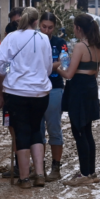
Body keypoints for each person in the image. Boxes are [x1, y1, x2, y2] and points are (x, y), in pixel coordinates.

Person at [0, 7, 52, 189]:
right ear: (36, 22)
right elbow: (48, 66)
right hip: (40, 93)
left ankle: (25, 178)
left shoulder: (11, 37)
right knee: (36, 129)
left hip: (17, 92)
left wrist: (7, 75)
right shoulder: (43, 38)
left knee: (21, 132)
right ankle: (40, 174)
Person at [58, 14, 100, 186]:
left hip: (78, 91)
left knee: (79, 132)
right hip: (91, 88)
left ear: (78, 28)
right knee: (88, 132)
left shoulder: (80, 46)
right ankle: (91, 171)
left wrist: (56, 67)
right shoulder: (97, 46)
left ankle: (84, 173)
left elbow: (69, 74)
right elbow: (95, 72)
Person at [38, 12, 67, 182]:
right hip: (35, 91)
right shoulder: (33, 41)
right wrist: (52, 66)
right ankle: (39, 167)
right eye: (44, 27)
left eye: (50, 27)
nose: (47, 30)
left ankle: (56, 167)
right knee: (38, 130)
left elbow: (65, 62)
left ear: (54, 27)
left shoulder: (59, 43)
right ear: (38, 25)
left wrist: (45, 67)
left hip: (55, 89)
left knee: (54, 129)